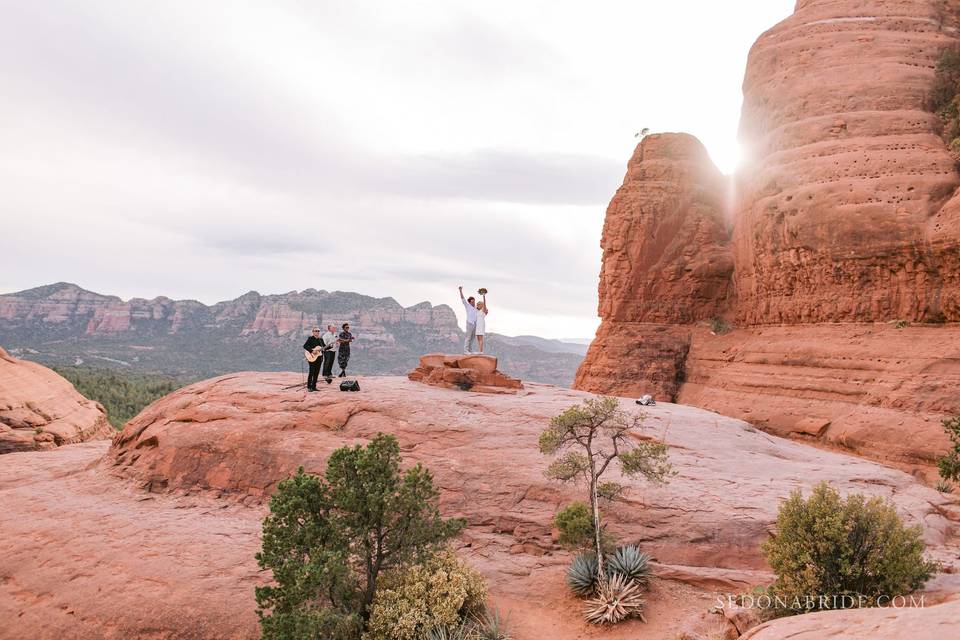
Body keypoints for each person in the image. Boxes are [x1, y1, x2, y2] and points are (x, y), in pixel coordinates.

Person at [302, 326, 324, 391]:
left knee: (316, 372)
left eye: (318, 331)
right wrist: (312, 351)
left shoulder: (321, 339)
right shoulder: (310, 339)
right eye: (316, 331)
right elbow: (305, 346)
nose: (317, 332)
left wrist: (331, 346)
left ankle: (314, 386)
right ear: (313, 332)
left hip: (319, 358)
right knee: (311, 372)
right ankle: (309, 387)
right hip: (311, 357)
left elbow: (324, 347)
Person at [458, 285, 478, 354]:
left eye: (474, 302)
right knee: (468, 337)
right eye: (472, 302)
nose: (473, 303)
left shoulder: (476, 308)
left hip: (475, 324)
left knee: (472, 338)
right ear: (469, 302)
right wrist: (460, 290)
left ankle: (470, 350)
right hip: (469, 323)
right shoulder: (467, 306)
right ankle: (466, 351)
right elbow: (462, 298)